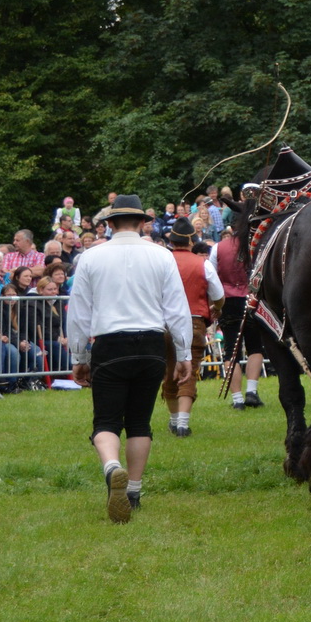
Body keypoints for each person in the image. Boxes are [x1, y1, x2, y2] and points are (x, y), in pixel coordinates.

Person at [67, 194, 192, 523]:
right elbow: (177, 310)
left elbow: (79, 312)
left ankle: (112, 468)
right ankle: (132, 491)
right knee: (139, 422)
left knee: (106, 421)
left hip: (109, 344)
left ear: (109, 224)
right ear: (142, 223)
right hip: (151, 344)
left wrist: (79, 354)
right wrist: (183, 353)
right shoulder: (162, 256)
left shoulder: (91, 257)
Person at [162, 218, 222, 438]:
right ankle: (183, 424)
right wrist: (218, 308)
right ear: (191, 241)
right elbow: (218, 294)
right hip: (193, 321)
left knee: (169, 371)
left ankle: (174, 419)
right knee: (189, 371)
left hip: (163, 323)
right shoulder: (202, 263)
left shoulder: (161, 261)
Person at [210, 221, 263, 408]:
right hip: (251, 298)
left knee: (231, 350)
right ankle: (252, 391)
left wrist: (215, 304)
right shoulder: (255, 245)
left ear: (231, 228)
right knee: (255, 346)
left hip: (227, 299)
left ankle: (237, 399)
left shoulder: (218, 248)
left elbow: (212, 277)